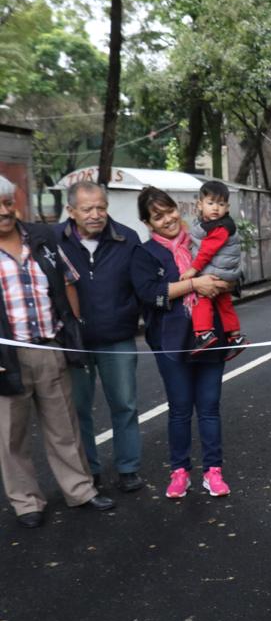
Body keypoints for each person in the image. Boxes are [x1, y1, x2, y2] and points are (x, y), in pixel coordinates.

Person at [0, 184, 115, 528]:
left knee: (64, 424)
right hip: (7, 354)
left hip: (50, 346)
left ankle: (79, 489)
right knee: (11, 435)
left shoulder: (41, 238)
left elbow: (67, 281)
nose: (4, 211)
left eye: (7, 203)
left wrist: (72, 333)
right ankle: (26, 502)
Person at [131, 186, 234, 499]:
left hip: (210, 337)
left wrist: (221, 283)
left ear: (179, 208)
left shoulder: (203, 239)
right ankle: (180, 472)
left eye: (170, 211)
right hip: (170, 342)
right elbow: (151, 294)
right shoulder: (145, 253)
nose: (167, 219)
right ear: (148, 223)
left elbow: (230, 270)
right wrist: (194, 283)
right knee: (178, 409)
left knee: (209, 408)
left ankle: (213, 472)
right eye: (157, 216)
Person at [55, 180, 144, 493]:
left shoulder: (127, 238)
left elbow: (142, 284)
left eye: (101, 208)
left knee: (125, 404)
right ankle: (88, 470)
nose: (95, 214)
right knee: (77, 410)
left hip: (117, 335)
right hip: (72, 340)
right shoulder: (53, 240)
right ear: (71, 211)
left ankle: (128, 468)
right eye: (87, 209)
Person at [182, 180, 246, 359]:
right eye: (211, 203)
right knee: (224, 302)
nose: (216, 208)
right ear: (200, 205)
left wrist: (193, 270)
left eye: (221, 204)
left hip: (218, 270)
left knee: (202, 296)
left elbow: (207, 251)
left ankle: (203, 333)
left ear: (227, 207)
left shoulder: (220, 227)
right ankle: (235, 337)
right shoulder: (209, 224)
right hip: (225, 271)